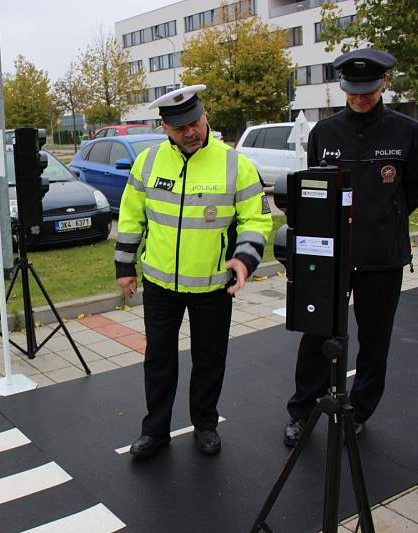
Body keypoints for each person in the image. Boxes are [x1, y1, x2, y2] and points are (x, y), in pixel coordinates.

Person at [115, 85, 272, 458]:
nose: (190, 132)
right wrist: (125, 265)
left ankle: (205, 424)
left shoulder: (235, 163)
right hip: (160, 284)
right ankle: (155, 431)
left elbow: (256, 219)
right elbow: (131, 216)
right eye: (180, 126)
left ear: (205, 117)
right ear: (165, 129)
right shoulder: (148, 163)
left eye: (195, 122)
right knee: (158, 360)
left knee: (209, 359)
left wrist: (245, 258)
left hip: (212, 286)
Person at [283, 49, 418, 446]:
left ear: (383, 83)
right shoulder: (324, 134)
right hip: (332, 256)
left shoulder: (407, 132)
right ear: (342, 87)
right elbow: (315, 191)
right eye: (353, 91)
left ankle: (358, 411)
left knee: (374, 339)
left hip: (383, 256)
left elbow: (414, 189)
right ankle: (302, 409)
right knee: (316, 334)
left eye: (368, 89)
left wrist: (385, 219)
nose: (361, 97)